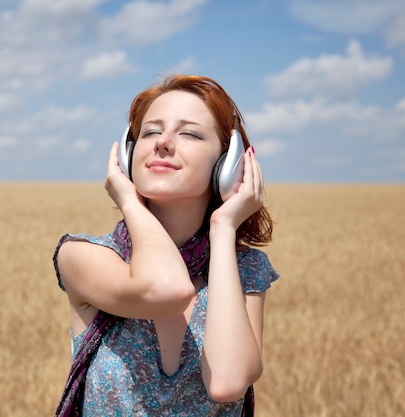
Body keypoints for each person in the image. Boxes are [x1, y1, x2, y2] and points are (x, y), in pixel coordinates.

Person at [53, 74, 279, 416]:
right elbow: (166, 288)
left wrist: (223, 229)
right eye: (151, 132)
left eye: (189, 133)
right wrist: (130, 203)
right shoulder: (82, 256)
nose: (163, 143)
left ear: (227, 165)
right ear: (129, 155)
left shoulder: (245, 269)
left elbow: (227, 383)